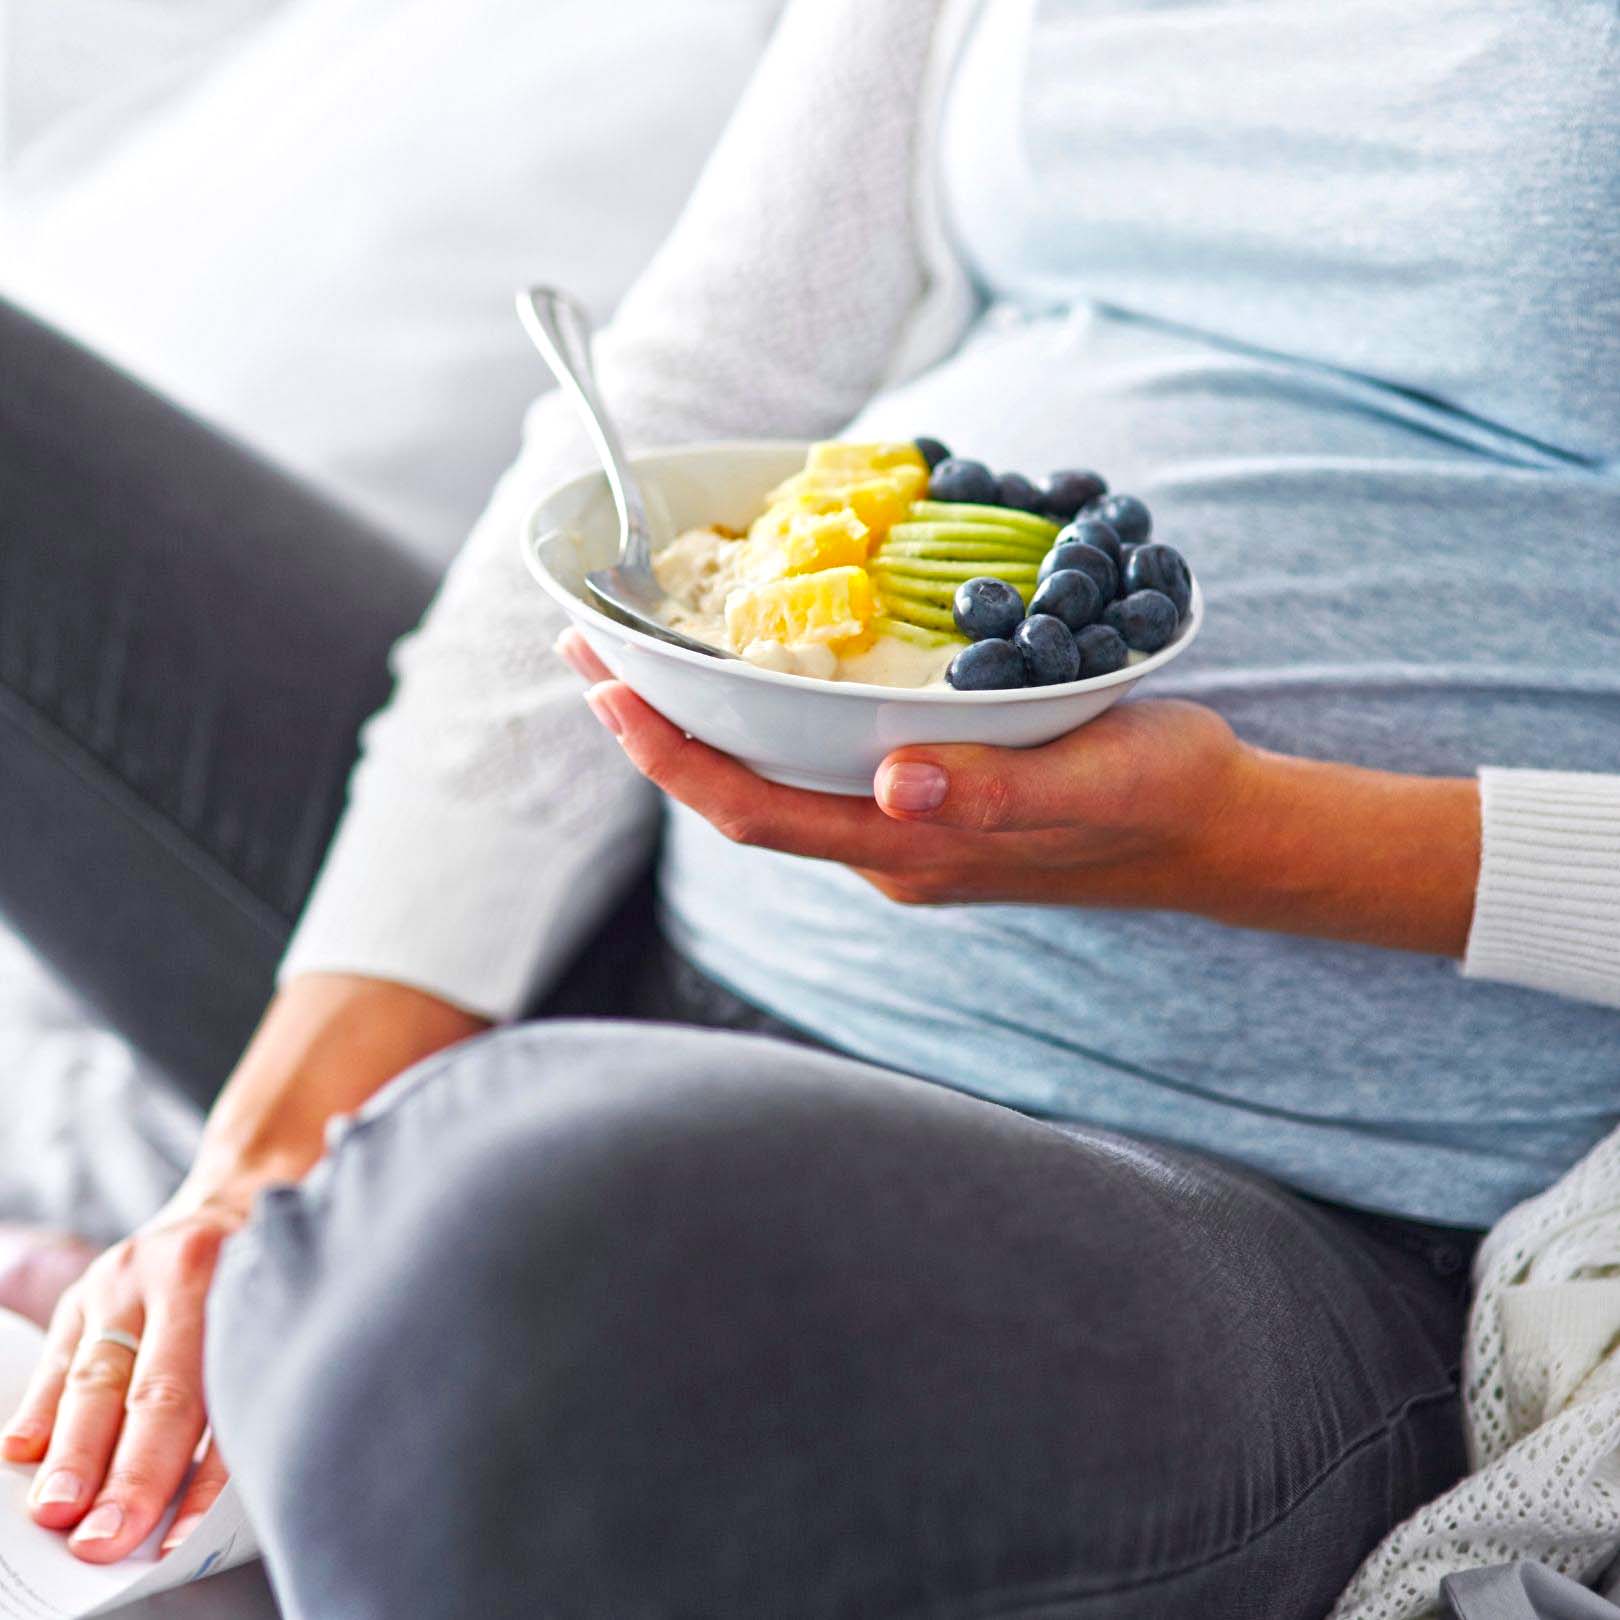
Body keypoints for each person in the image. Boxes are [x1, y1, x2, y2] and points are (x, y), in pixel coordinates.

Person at [0, 0, 1616, 1613]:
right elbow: (688, 390)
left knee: (489, 1258)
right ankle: (302, 1280)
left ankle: (378, 1304)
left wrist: (1249, 840)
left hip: (1269, 1194)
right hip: (657, 893)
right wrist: (257, 1165)